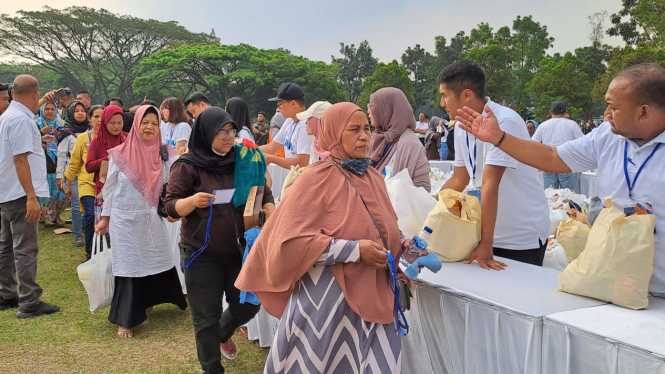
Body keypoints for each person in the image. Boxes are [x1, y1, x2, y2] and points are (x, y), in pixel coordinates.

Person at [456, 63, 665, 296]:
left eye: (613, 107)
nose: (606, 114)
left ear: (644, 112)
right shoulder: (607, 135)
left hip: (659, 285)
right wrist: (499, 138)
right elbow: (553, 157)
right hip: (611, 280)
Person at [236, 102, 406, 374]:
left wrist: (401, 243)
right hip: (327, 304)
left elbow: (381, 225)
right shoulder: (315, 178)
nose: (364, 136)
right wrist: (352, 250)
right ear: (333, 133)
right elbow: (289, 241)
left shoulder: (374, 177)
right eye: (354, 129)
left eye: (367, 128)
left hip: (375, 293)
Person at [164, 107, 274, 373]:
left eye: (231, 131)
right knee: (205, 319)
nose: (228, 137)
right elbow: (169, 208)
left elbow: (263, 191)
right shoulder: (187, 165)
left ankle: (222, 335)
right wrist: (192, 201)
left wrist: (269, 209)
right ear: (204, 134)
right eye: (221, 132)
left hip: (240, 251)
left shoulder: (243, 158)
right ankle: (212, 368)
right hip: (201, 254)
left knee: (248, 304)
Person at [437, 60, 550, 269]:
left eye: (445, 95)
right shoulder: (462, 127)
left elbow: (490, 183)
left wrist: (486, 242)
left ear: (466, 95)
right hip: (486, 232)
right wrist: (431, 211)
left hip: (518, 237)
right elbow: (459, 178)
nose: (442, 103)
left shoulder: (504, 121)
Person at [94, 105, 187, 339]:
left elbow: (173, 186)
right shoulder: (119, 153)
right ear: (135, 124)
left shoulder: (166, 152)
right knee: (129, 265)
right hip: (124, 220)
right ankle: (126, 320)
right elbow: (110, 188)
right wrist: (105, 218)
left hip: (153, 219)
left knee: (155, 257)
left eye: (155, 123)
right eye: (145, 122)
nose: (149, 127)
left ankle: (151, 299)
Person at [0, 74, 60, 318]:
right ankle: (29, 301)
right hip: (19, 193)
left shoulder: (8, 116)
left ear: (13, 93)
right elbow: (20, 159)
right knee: (25, 249)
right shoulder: (22, 121)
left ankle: (6, 294)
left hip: (7, 191)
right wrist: (31, 197)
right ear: (35, 94)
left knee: (6, 247)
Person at [368, 87, 431, 191]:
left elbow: (422, 190)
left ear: (387, 110)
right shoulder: (378, 139)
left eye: (373, 107)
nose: (369, 111)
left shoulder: (411, 146)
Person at [64, 105, 103, 261]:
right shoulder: (82, 139)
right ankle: (90, 253)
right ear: (90, 119)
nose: (99, 120)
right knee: (89, 216)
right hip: (87, 184)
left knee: (105, 218)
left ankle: (104, 250)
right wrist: (68, 184)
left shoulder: (112, 138)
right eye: (96, 117)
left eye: (102, 117)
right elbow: (74, 163)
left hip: (107, 185)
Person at [86, 105, 127, 223]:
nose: (117, 126)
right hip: (103, 190)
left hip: (123, 189)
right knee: (105, 226)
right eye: (112, 123)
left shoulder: (127, 139)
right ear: (105, 122)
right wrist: (108, 158)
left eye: (120, 122)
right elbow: (89, 166)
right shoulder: (97, 141)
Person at [57, 102, 90, 247]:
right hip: (74, 175)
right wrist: (60, 177)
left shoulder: (92, 130)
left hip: (89, 174)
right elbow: (62, 155)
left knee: (89, 204)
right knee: (76, 205)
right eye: (76, 111)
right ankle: (78, 235)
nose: (80, 113)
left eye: (83, 110)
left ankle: (88, 229)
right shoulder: (67, 133)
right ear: (71, 113)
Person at [532, 101, 584, 191]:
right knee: (570, 196)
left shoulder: (543, 126)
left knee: (550, 195)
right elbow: (582, 142)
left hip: (548, 163)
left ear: (551, 112)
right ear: (565, 112)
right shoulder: (572, 124)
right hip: (567, 162)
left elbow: (533, 143)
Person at [260, 83, 313, 169]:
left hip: (304, 178)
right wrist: (248, 149)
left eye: (280, 104)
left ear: (293, 103)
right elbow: (271, 147)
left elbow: (303, 163)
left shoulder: (306, 126)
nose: (279, 108)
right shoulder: (289, 121)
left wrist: (272, 159)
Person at [35, 103, 67, 227]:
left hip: (59, 163)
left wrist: (60, 136)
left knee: (61, 193)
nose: (50, 112)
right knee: (43, 193)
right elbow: (28, 141)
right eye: (47, 109)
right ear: (42, 110)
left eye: (52, 109)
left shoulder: (62, 124)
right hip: (42, 163)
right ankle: (41, 219)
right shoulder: (35, 124)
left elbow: (68, 142)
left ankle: (56, 215)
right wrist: (41, 134)